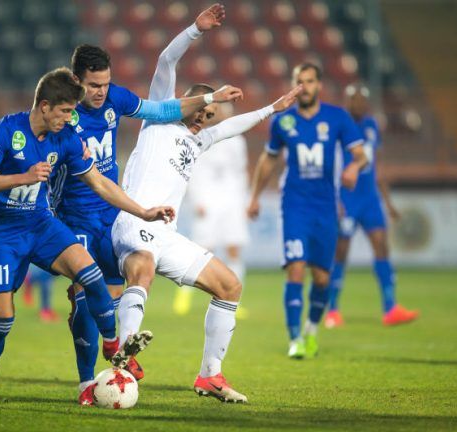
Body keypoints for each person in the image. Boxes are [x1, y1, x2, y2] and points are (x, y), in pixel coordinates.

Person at [55, 5, 245, 404]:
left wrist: (197, 42)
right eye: (93, 85)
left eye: (105, 84)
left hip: (112, 210)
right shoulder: (61, 116)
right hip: (74, 216)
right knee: (86, 301)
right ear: (76, 82)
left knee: (106, 301)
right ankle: (87, 381)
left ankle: (115, 367)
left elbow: (161, 108)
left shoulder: (117, 101)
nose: (100, 91)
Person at [110, 11, 301, 403]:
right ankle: (125, 349)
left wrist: (272, 109)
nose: (204, 118)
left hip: (166, 234)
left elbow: (233, 127)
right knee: (142, 266)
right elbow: (166, 60)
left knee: (229, 285)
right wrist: (195, 29)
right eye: (201, 110)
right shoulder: (158, 120)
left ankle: (209, 376)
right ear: (186, 102)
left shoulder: (198, 140)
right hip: (134, 221)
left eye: (208, 115)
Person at [0, 67, 175, 408]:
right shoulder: (7, 130)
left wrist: (143, 212)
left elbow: (100, 183)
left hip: (41, 225)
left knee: (91, 275)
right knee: (2, 321)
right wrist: (23, 177)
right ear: (44, 106)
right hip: (1, 235)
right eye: (64, 111)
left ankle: (112, 345)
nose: (69, 117)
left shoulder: (67, 137)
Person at [248, 63, 368, 360]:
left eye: (310, 81)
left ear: (319, 85)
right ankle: (295, 338)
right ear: (293, 85)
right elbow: (269, 159)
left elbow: (361, 155)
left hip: (326, 208)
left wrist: (353, 167)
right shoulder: (283, 122)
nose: (305, 87)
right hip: (295, 206)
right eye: (299, 82)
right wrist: (254, 197)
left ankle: (311, 330)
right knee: (296, 267)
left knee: (322, 278)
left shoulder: (337, 118)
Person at [325, 84, 418, 328]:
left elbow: (376, 166)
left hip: (369, 199)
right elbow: (329, 165)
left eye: (363, 100)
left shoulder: (371, 125)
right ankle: (332, 309)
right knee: (341, 252)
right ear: (347, 100)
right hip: (346, 198)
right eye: (355, 99)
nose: (361, 104)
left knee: (381, 246)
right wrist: (333, 198)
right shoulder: (338, 125)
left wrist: (387, 202)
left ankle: (391, 308)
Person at [173, 102, 250, 318]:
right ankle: (184, 295)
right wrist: (196, 198)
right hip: (208, 201)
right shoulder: (202, 137)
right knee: (202, 249)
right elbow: (192, 169)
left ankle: (235, 300)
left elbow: (241, 172)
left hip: (232, 201)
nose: (223, 113)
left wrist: (244, 201)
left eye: (227, 110)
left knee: (234, 248)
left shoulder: (237, 141)